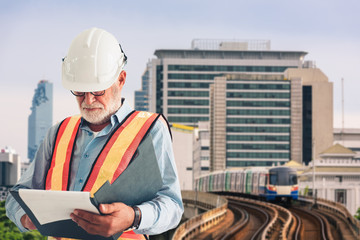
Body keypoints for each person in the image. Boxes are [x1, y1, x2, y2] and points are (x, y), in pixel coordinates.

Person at [6, 27, 184, 240]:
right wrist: (27, 217)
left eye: (98, 91)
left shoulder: (150, 129)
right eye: (79, 92)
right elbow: (17, 197)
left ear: (121, 80)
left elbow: (172, 206)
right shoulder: (58, 133)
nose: (88, 101)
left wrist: (133, 216)